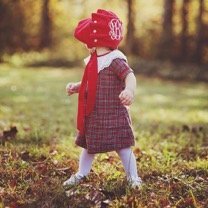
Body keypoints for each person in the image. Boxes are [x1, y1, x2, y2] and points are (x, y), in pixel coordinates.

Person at [63, 9, 142, 189]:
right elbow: (90, 82)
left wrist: (130, 90)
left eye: (87, 40)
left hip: (113, 114)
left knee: (123, 147)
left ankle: (133, 178)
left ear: (97, 40)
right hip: (95, 115)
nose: (85, 44)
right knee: (88, 147)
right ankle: (81, 173)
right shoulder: (94, 59)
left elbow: (130, 76)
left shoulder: (114, 59)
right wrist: (77, 87)